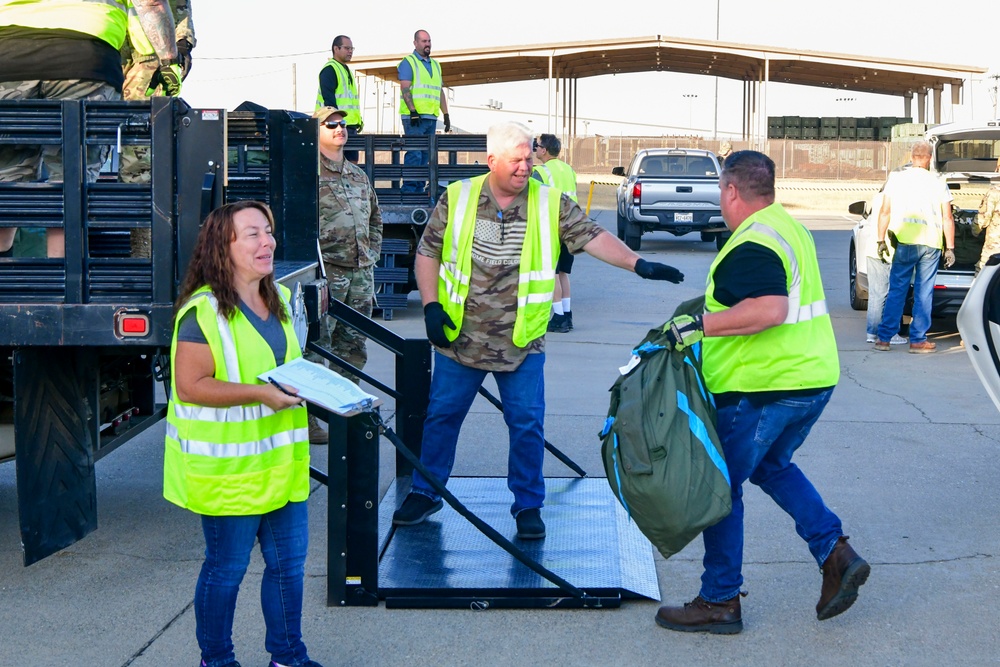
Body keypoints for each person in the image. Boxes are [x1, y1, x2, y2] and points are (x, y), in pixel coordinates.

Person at [391, 121, 684, 540]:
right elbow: (427, 253)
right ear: (491, 160)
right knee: (442, 418)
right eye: (516, 159)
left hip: (521, 342)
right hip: (461, 338)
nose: (525, 166)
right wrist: (432, 306)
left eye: (529, 157)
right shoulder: (459, 198)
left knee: (527, 425)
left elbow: (594, 237)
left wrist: (639, 264)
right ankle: (427, 492)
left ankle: (528, 505)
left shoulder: (550, 202)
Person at [655, 150, 869, 634]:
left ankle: (719, 600)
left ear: (731, 190)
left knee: (720, 489)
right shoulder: (787, 226)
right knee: (772, 467)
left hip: (763, 388)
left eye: (720, 192)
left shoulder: (751, 242)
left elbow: (770, 309)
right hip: (811, 379)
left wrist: (698, 326)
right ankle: (834, 551)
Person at [164, 200, 324, 667]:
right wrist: (260, 395)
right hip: (229, 475)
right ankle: (216, 660)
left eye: (269, 232)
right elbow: (190, 388)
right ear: (224, 246)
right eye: (252, 234)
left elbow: (285, 369)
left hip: (280, 470)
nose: (267, 241)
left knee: (287, 569)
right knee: (226, 571)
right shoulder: (203, 313)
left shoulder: (278, 302)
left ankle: (288, 657)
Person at [0, 0, 179, 258]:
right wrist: (168, 61)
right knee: (72, 183)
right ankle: (64, 289)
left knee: (6, 182)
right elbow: (150, 3)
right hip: (85, 60)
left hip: (8, 58)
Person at [303, 107, 382, 444]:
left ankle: (345, 411)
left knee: (353, 346)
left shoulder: (357, 175)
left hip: (361, 273)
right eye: (331, 124)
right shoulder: (309, 174)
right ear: (316, 130)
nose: (339, 128)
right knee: (319, 346)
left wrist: (372, 252)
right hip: (328, 272)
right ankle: (312, 421)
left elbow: (375, 218)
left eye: (343, 124)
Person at [120, 0, 195, 257]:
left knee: (142, 166)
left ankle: (146, 259)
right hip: (103, 54)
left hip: (147, 64)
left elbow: (178, 12)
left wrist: (177, 54)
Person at [874, 140, 955, 353]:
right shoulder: (938, 180)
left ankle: (884, 338)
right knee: (923, 292)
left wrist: (881, 240)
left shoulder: (897, 178)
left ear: (912, 157)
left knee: (897, 290)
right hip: (931, 244)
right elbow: (948, 217)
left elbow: (885, 211)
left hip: (904, 242)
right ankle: (918, 340)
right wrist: (951, 248)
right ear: (929, 159)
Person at [532, 133, 579, 333]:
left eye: (537, 145)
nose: (535, 148)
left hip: (551, 227)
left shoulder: (540, 172)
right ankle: (567, 314)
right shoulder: (568, 169)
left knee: (550, 274)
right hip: (571, 226)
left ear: (544, 150)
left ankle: (558, 317)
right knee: (563, 273)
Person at [397, 29, 450, 193]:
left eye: (429, 41)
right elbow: (405, 88)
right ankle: (409, 190)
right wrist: (412, 111)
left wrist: (446, 114)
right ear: (415, 43)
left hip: (431, 117)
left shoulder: (436, 65)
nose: (427, 44)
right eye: (423, 41)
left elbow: (439, 91)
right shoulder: (409, 62)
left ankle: (419, 189)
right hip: (415, 118)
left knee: (426, 155)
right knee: (415, 154)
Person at [862, 190, 908, 345]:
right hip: (891, 252)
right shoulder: (900, 197)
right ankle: (890, 332)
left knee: (876, 295)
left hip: (873, 250)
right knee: (892, 294)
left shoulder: (879, 197)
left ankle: (872, 333)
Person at [316, 35, 362, 163]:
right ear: (336, 49)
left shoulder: (345, 69)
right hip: (335, 128)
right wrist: (336, 123)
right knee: (335, 164)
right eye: (347, 48)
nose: (350, 51)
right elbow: (329, 102)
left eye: (352, 48)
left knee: (352, 164)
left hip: (348, 126)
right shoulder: (330, 70)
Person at [974, 157, 1000, 273]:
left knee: (982, 280)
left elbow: (982, 221)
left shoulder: (994, 193)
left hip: (994, 250)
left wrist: (975, 232)